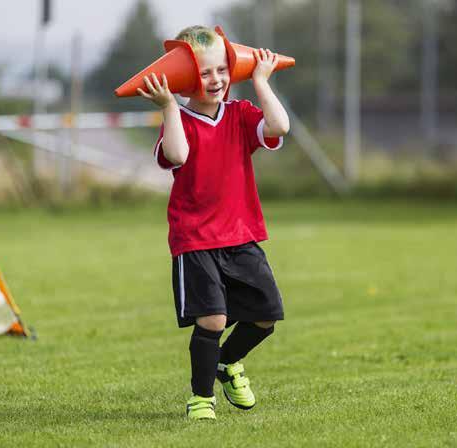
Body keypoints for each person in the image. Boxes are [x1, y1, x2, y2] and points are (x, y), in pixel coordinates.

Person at [137, 25, 289, 421]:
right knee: (213, 319)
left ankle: (224, 363)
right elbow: (178, 155)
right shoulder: (180, 120)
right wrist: (169, 106)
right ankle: (201, 398)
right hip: (196, 239)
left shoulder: (240, 114)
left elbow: (279, 127)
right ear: (185, 77)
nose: (217, 79)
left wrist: (260, 81)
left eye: (223, 69)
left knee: (266, 314)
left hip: (242, 234)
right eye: (206, 73)